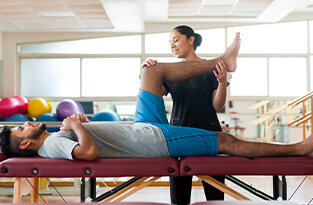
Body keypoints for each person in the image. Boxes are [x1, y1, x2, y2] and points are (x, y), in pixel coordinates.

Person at [1, 33, 313, 162]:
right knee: (225, 140)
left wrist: (78, 122)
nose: (25, 123)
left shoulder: (55, 139)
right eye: (20, 129)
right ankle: (299, 149)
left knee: (151, 72)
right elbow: (89, 153)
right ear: (26, 144)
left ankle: (224, 59)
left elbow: (87, 140)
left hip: (140, 127)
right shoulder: (51, 145)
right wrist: (77, 126)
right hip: (152, 140)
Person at [142, 25, 227, 205]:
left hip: (209, 133)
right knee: (179, 200)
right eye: (170, 42)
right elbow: (152, 93)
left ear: (191, 40)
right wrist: (148, 73)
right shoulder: (170, 72)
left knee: (216, 200)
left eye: (176, 39)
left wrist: (222, 82)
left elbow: (217, 105)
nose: (172, 45)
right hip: (179, 135)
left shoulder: (211, 68)